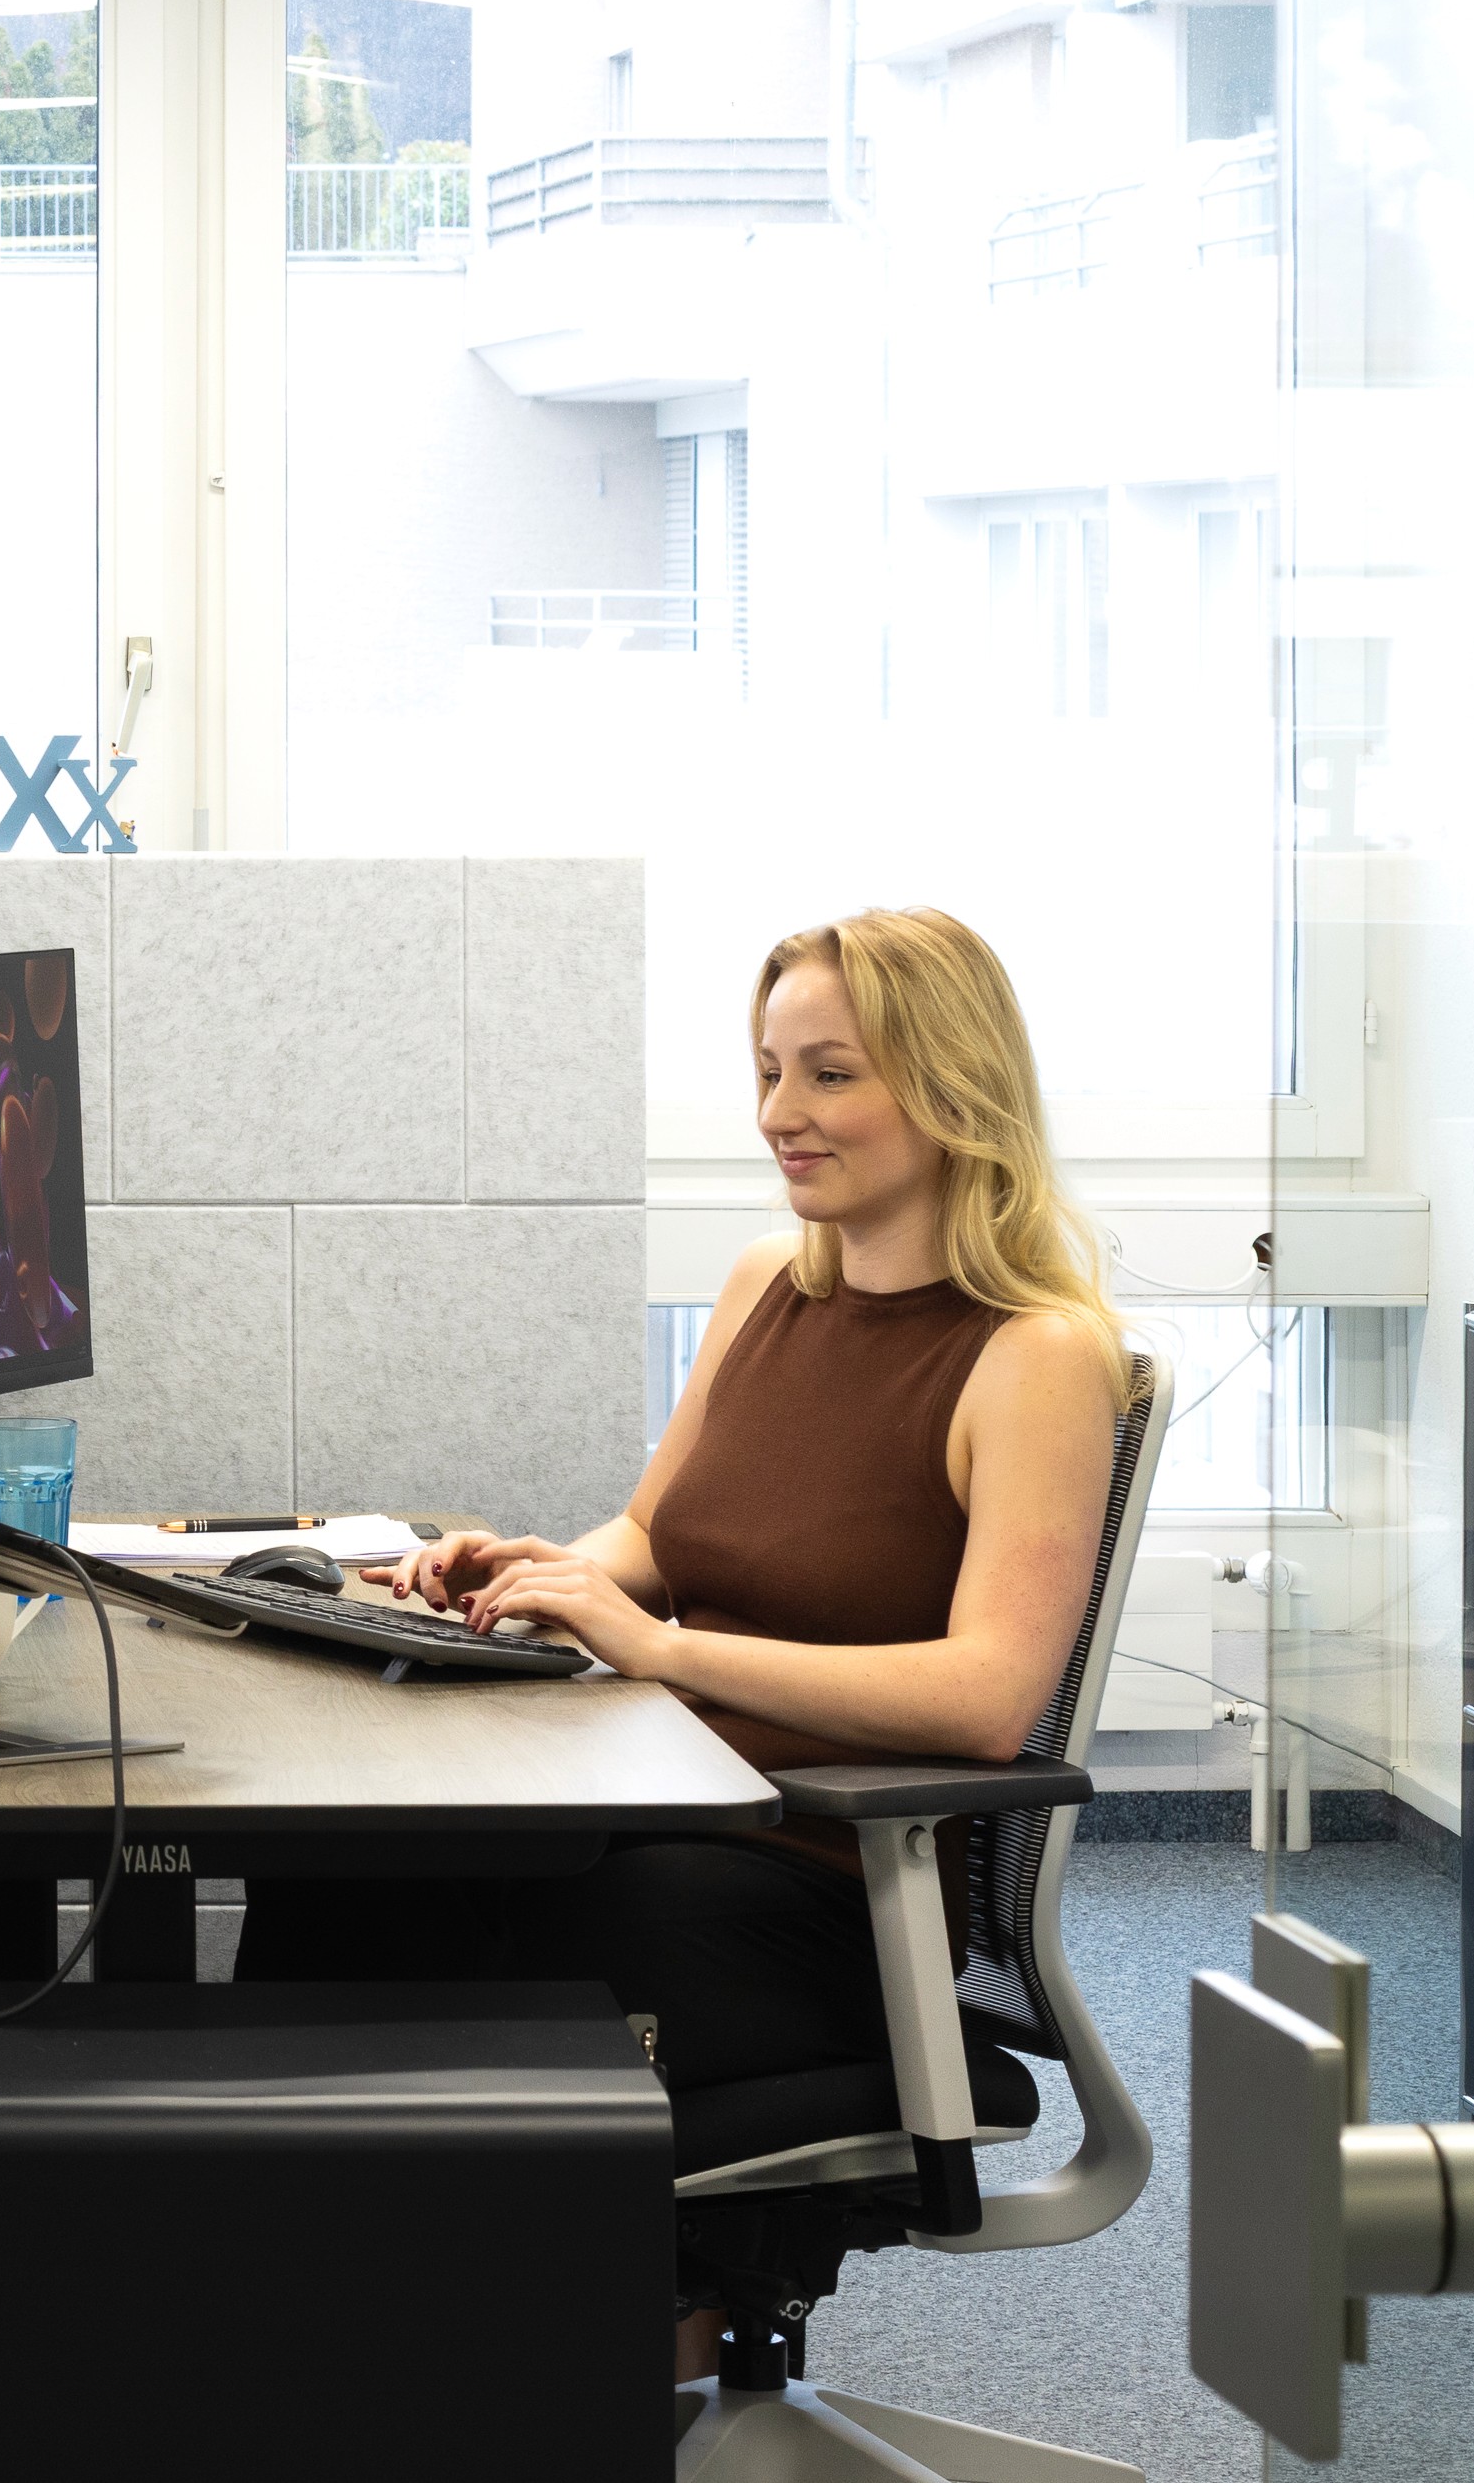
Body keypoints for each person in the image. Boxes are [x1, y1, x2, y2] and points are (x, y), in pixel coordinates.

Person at [235, 906, 1135, 2374]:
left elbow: (988, 1698)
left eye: (831, 1074)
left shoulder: (1036, 1356)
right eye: (770, 1072)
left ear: (952, 1088)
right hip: (668, 1807)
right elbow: (656, 1534)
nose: (782, 1113)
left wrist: (660, 1653)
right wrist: (542, 1577)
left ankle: (546, 2357)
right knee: (341, 1872)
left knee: (508, 1950)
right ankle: (295, 2340)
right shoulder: (768, 1287)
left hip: (825, 1884)